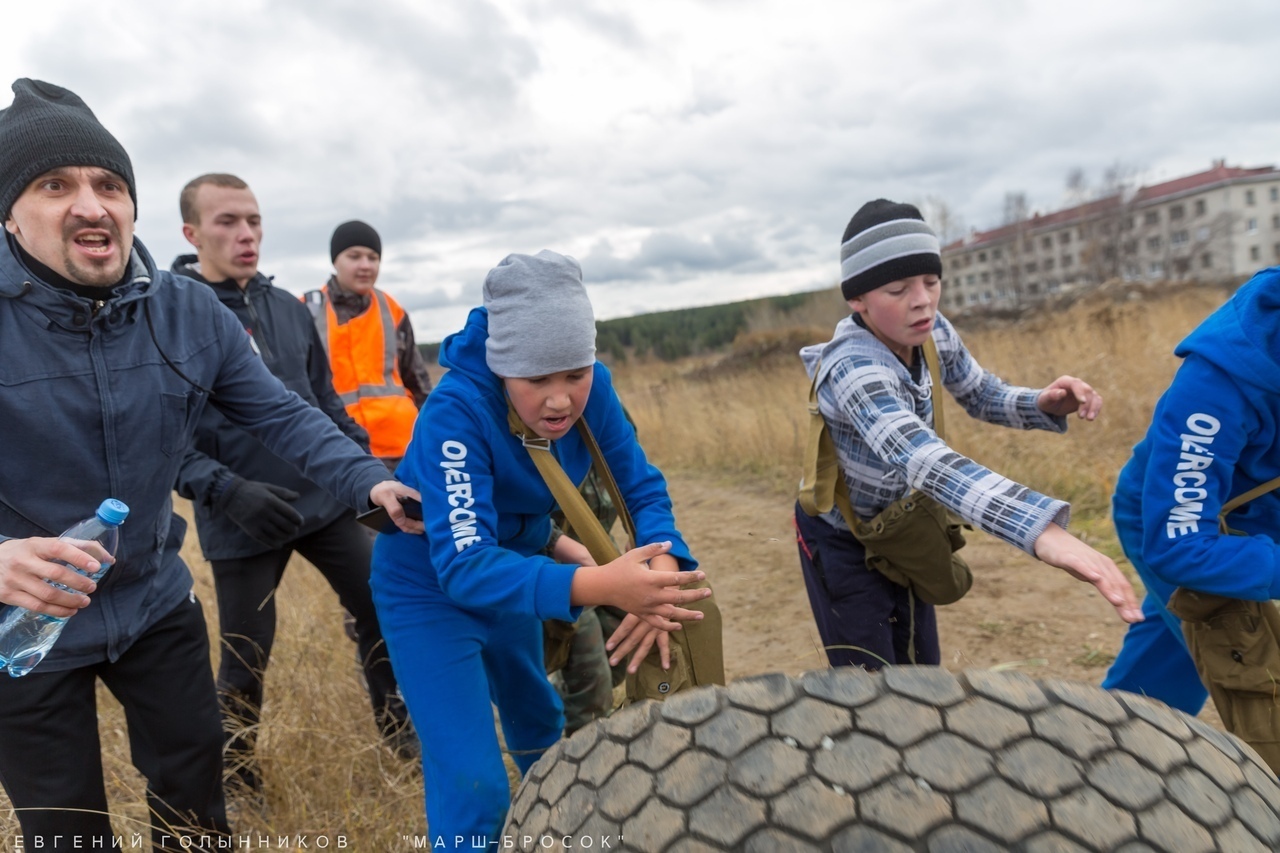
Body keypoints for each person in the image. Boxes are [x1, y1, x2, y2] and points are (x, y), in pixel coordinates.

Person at [0, 79, 419, 849]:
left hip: (156, 603)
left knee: (196, 813)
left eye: (110, 185)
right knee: (65, 829)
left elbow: (282, 411)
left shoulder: (184, 312)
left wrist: (369, 478)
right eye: (54, 185)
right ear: (9, 213)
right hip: (23, 626)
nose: (91, 205)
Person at [370, 250, 711, 847]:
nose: (560, 401)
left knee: (543, 731)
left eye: (574, 375)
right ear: (503, 368)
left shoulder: (594, 385)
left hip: (516, 571)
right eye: (536, 382)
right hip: (429, 587)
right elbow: (464, 564)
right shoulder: (457, 410)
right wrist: (603, 586)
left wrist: (660, 563)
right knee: (475, 786)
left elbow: (639, 484)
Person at [794, 199, 1141, 670]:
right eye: (898, 289)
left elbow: (980, 392)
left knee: (921, 668)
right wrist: (1040, 531)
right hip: (842, 542)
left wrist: (1040, 403)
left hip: (906, 528)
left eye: (931, 282)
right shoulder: (853, 368)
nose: (922, 300)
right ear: (858, 299)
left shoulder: (931, 332)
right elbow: (922, 458)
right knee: (865, 682)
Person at [171, 176, 416, 802]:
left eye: (253, 220)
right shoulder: (171, 316)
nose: (246, 234)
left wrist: (371, 479)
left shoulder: (287, 310)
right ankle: (239, 775)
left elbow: (325, 406)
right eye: (226, 222)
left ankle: (401, 740)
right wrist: (225, 490)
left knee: (379, 612)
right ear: (191, 233)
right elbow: (161, 441)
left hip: (324, 502)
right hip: (243, 517)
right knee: (247, 654)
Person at [1102, 266, 1280, 731]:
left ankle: (1100, 753)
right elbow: (1179, 546)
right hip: (1176, 524)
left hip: (1258, 522)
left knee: (1164, 662)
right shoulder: (1216, 386)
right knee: (1258, 670)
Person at [303, 220, 432, 474]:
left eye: (373, 258)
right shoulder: (306, 311)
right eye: (354, 256)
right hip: (337, 452)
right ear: (335, 261)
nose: (365, 265)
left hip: (402, 450)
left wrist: (434, 435)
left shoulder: (393, 311)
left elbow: (418, 383)